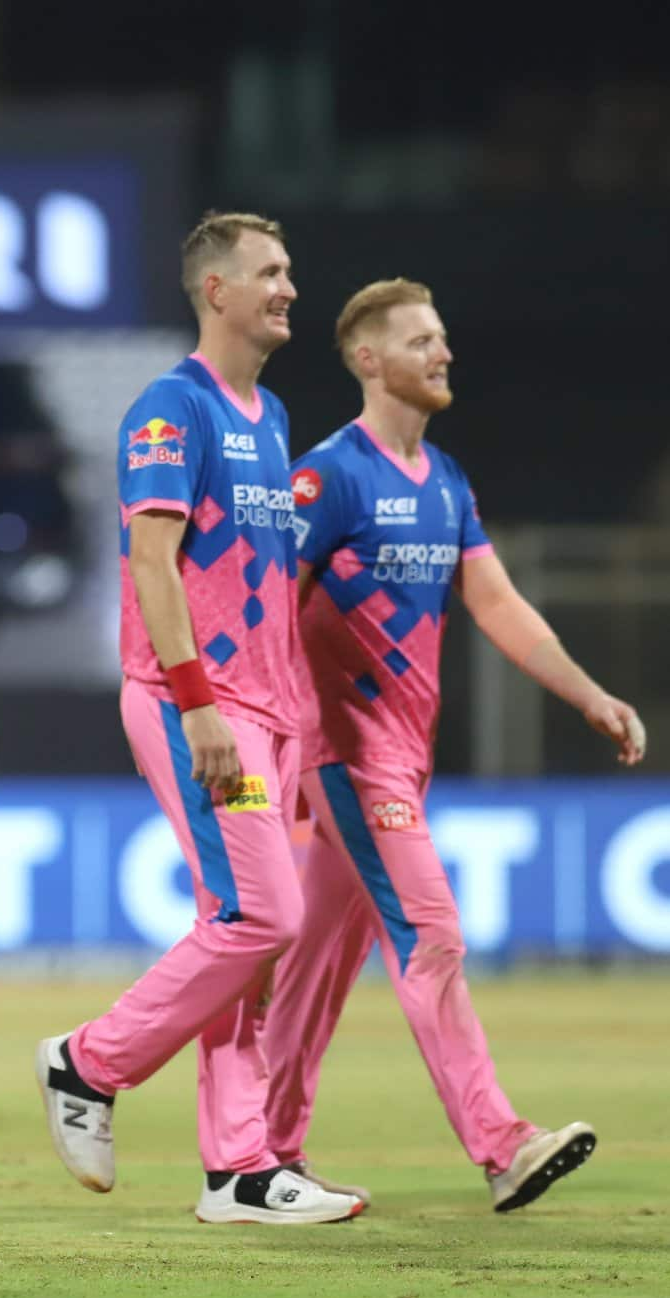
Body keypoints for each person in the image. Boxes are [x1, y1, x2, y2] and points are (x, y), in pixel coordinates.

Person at [261, 279, 640, 1212]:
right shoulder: (327, 476)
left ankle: (256, 1154)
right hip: (347, 756)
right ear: (367, 359)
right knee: (430, 934)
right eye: (422, 340)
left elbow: (497, 603)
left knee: (312, 970)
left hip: (402, 760)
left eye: (441, 339)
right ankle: (501, 1145)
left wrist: (585, 691)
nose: (444, 353)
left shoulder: (448, 483)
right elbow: (265, 599)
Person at [33, 212, 362, 1224]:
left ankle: (240, 1172)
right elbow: (148, 563)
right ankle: (86, 1064)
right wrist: (198, 707)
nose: (288, 289)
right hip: (198, 707)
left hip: (268, 713)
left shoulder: (262, 416)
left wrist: (297, 719)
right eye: (269, 272)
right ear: (212, 290)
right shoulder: (166, 410)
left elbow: (266, 585)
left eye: (289, 270)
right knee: (264, 914)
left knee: (243, 931)